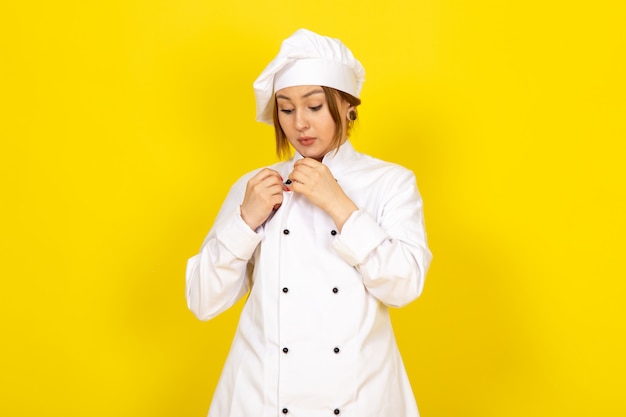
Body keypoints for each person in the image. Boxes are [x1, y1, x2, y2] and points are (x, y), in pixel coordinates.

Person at [186, 28, 432, 417]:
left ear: (348, 106)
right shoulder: (256, 186)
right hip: (261, 399)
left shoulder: (390, 182)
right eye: (286, 109)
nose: (300, 123)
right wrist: (245, 222)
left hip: (359, 400)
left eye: (314, 107)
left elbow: (404, 286)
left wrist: (340, 205)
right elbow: (203, 301)